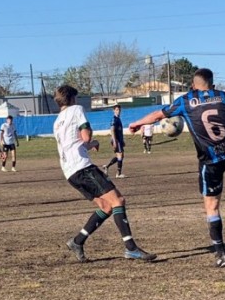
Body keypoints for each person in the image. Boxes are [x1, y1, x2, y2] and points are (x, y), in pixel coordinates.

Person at [128, 68, 225, 267]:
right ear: (213, 85)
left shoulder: (186, 101)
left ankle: (221, 254)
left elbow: (157, 115)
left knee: (212, 206)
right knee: (221, 166)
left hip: (211, 160)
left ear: (194, 86)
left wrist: (137, 123)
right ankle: (220, 251)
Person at [53, 85, 156, 263]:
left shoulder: (57, 122)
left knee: (106, 207)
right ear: (71, 99)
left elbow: (75, 144)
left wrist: (91, 144)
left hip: (69, 172)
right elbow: (84, 136)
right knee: (118, 201)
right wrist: (90, 138)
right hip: (83, 167)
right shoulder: (76, 110)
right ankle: (131, 248)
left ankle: (77, 242)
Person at [102, 105, 126, 178]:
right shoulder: (114, 119)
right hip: (116, 140)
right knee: (120, 155)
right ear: (114, 110)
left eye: (119, 110)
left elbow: (119, 131)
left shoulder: (118, 119)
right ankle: (118, 174)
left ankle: (107, 166)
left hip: (119, 140)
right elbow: (112, 130)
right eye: (117, 110)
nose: (118, 111)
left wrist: (122, 140)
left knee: (121, 156)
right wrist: (115, 141)